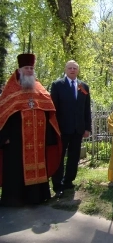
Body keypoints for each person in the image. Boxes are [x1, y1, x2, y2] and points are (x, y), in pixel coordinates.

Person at [0, 54, 62, 206]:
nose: (29, 70)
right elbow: (3, 115)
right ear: (20, 70)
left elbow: (49, 112)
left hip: (38, 140)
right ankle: (16, 199)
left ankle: (38, 197)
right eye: (26, 68)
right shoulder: (10, 90)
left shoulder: (39, 89)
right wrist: (4, 136)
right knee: (16, 169)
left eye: (31, 68)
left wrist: (49, 136)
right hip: (16, 141)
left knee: (39, 166)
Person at [51, 60, 91, 198]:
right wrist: (54, 128)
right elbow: (53, 108)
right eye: (70, 68)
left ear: (78, 70)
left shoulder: (83, 86)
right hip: (62, 129)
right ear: (65, 69)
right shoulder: (57, 85)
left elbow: (87, 109)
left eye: (75, 68)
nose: (72, 70)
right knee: (59, 157)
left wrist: (87, 128)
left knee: (74, 157)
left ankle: (68, 181)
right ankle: (58, 185)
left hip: (78, 129)